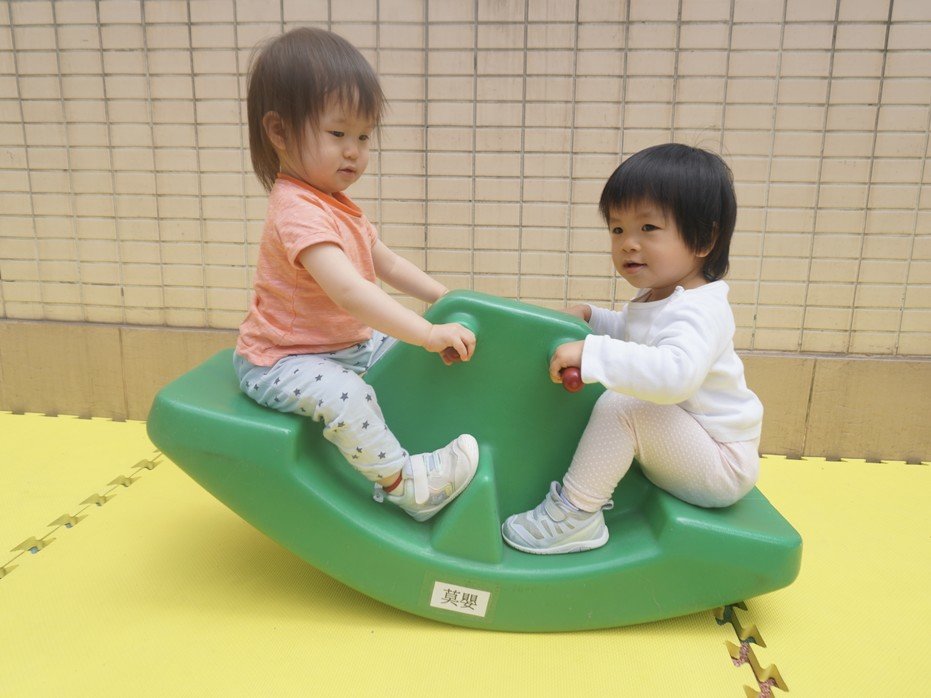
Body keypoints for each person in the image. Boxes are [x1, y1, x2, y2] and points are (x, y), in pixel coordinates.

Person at [234, 27, 479, 522]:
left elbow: (387, 262)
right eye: (338, 134)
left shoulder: (337, 203)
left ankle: (412, 442)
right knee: (348, 396)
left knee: (409, 360)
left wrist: (445, 298)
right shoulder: (296, 209)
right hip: (283, 360)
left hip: (342, 346)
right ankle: (407, 486)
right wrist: (426, 331)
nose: (354, 151)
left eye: (363, 137)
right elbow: (349, 291)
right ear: (279, 132)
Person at [502, 143, 764, 554]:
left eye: (649, 228)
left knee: (623, 404)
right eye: (618, 229)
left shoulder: (701, 309)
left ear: (704, 238)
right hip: (689, 444)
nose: (628, 243)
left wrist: (592, 354)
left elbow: (675, 374)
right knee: (620, 390)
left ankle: (576, 515)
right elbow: (630, 334)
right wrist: (591, 318)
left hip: (720, 462)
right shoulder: (660, 296)